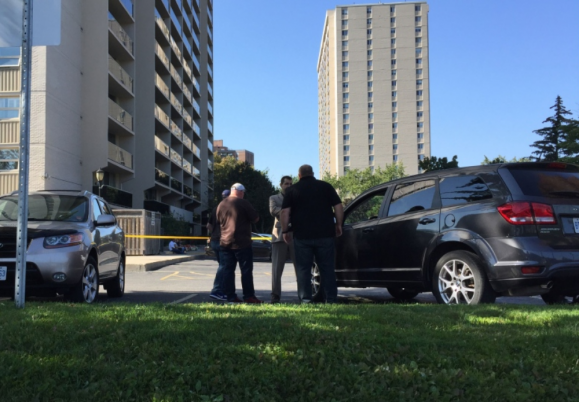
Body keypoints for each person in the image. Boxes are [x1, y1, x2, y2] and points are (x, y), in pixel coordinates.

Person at [280, 164, 343, 303]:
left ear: (299, 175)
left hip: (302, 235)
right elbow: (338, 206)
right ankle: (331, 299)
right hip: (325, 234)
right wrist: (338, 224)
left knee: (303, 269)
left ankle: (306, 299)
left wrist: (285, 230)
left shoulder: (292, 190)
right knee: (327, 268)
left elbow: (285, 212)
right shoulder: (326, 186)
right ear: (313, 173)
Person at [217, 183, 263, 303]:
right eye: (243, 192)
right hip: (242, 242)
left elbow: (218, 220)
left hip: (225, 242)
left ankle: (230, 296)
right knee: (246, 270)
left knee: (228, 270)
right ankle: (249, 296)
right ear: (240, 192)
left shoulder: (221, 204)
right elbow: (255, 218)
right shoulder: (243, 203)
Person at [269, 175, 297, 303]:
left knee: (300, 267)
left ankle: (303, 294)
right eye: (286, 184)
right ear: (281, 185)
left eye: (291, 184)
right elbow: (274, 211)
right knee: (277, 268)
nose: (289, 186)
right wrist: (290, 211)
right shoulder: (274, 198)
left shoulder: (297, 197)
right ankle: (275, 295)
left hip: (296, 235)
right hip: (279, 236)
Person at [206, 189, 230, 301]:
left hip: (214, 240)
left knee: (223, 266)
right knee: (224, 266)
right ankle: (217, 290)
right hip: (222, 240)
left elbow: (208, 225)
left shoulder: (216, 208)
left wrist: (214, 233)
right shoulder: (228, 208)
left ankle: (223, 291)